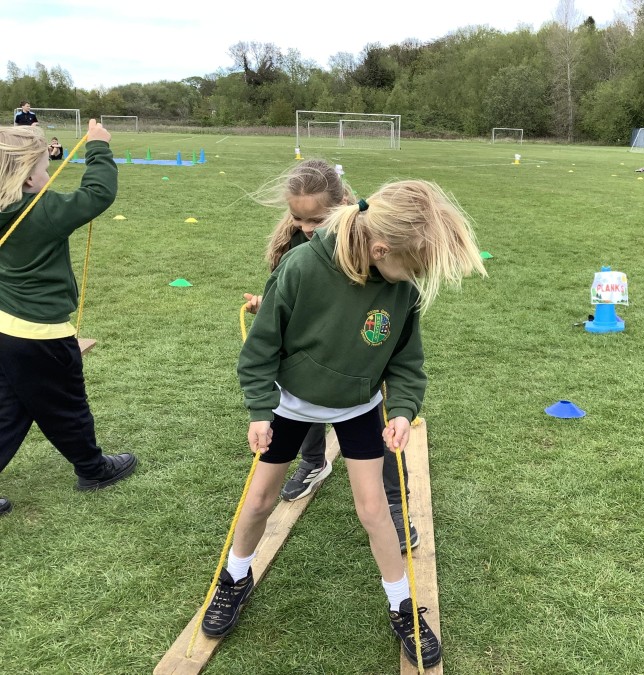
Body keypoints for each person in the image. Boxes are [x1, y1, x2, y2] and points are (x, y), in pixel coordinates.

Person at [201, 179, 487, 669]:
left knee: (375, 511)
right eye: (415, 266)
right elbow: (260, 349)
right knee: (260, 500)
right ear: (381, 248)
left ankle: (402, 606)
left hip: (357, 407)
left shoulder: (402, 290)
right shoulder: (301, 267)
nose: (416, 277)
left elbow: (406, 362)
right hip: (290, 406)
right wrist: (259, 410)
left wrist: (402, 410)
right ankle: (235, 577)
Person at [242, 159, 420, 553]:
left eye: (316, 219)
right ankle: (313, 462)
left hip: (358, 375)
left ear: (342, 205)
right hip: (304, 371)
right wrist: (266, 306)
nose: (307, 228)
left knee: (380, 436)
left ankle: (395, 504)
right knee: (307, 403)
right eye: (298, 218)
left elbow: (397, 341)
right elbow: (290, 308)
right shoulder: (295, 249)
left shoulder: (374, 243)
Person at [0, 121, 138, 517]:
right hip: (40, 335)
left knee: (9, 410)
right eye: (45, 169)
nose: (49, 176)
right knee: (67, 406)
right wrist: (98, 147)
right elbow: (97, 194)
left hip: (4, 330)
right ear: (28, 180)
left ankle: (91, 466)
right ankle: (93, 469)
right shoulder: (40, 211)